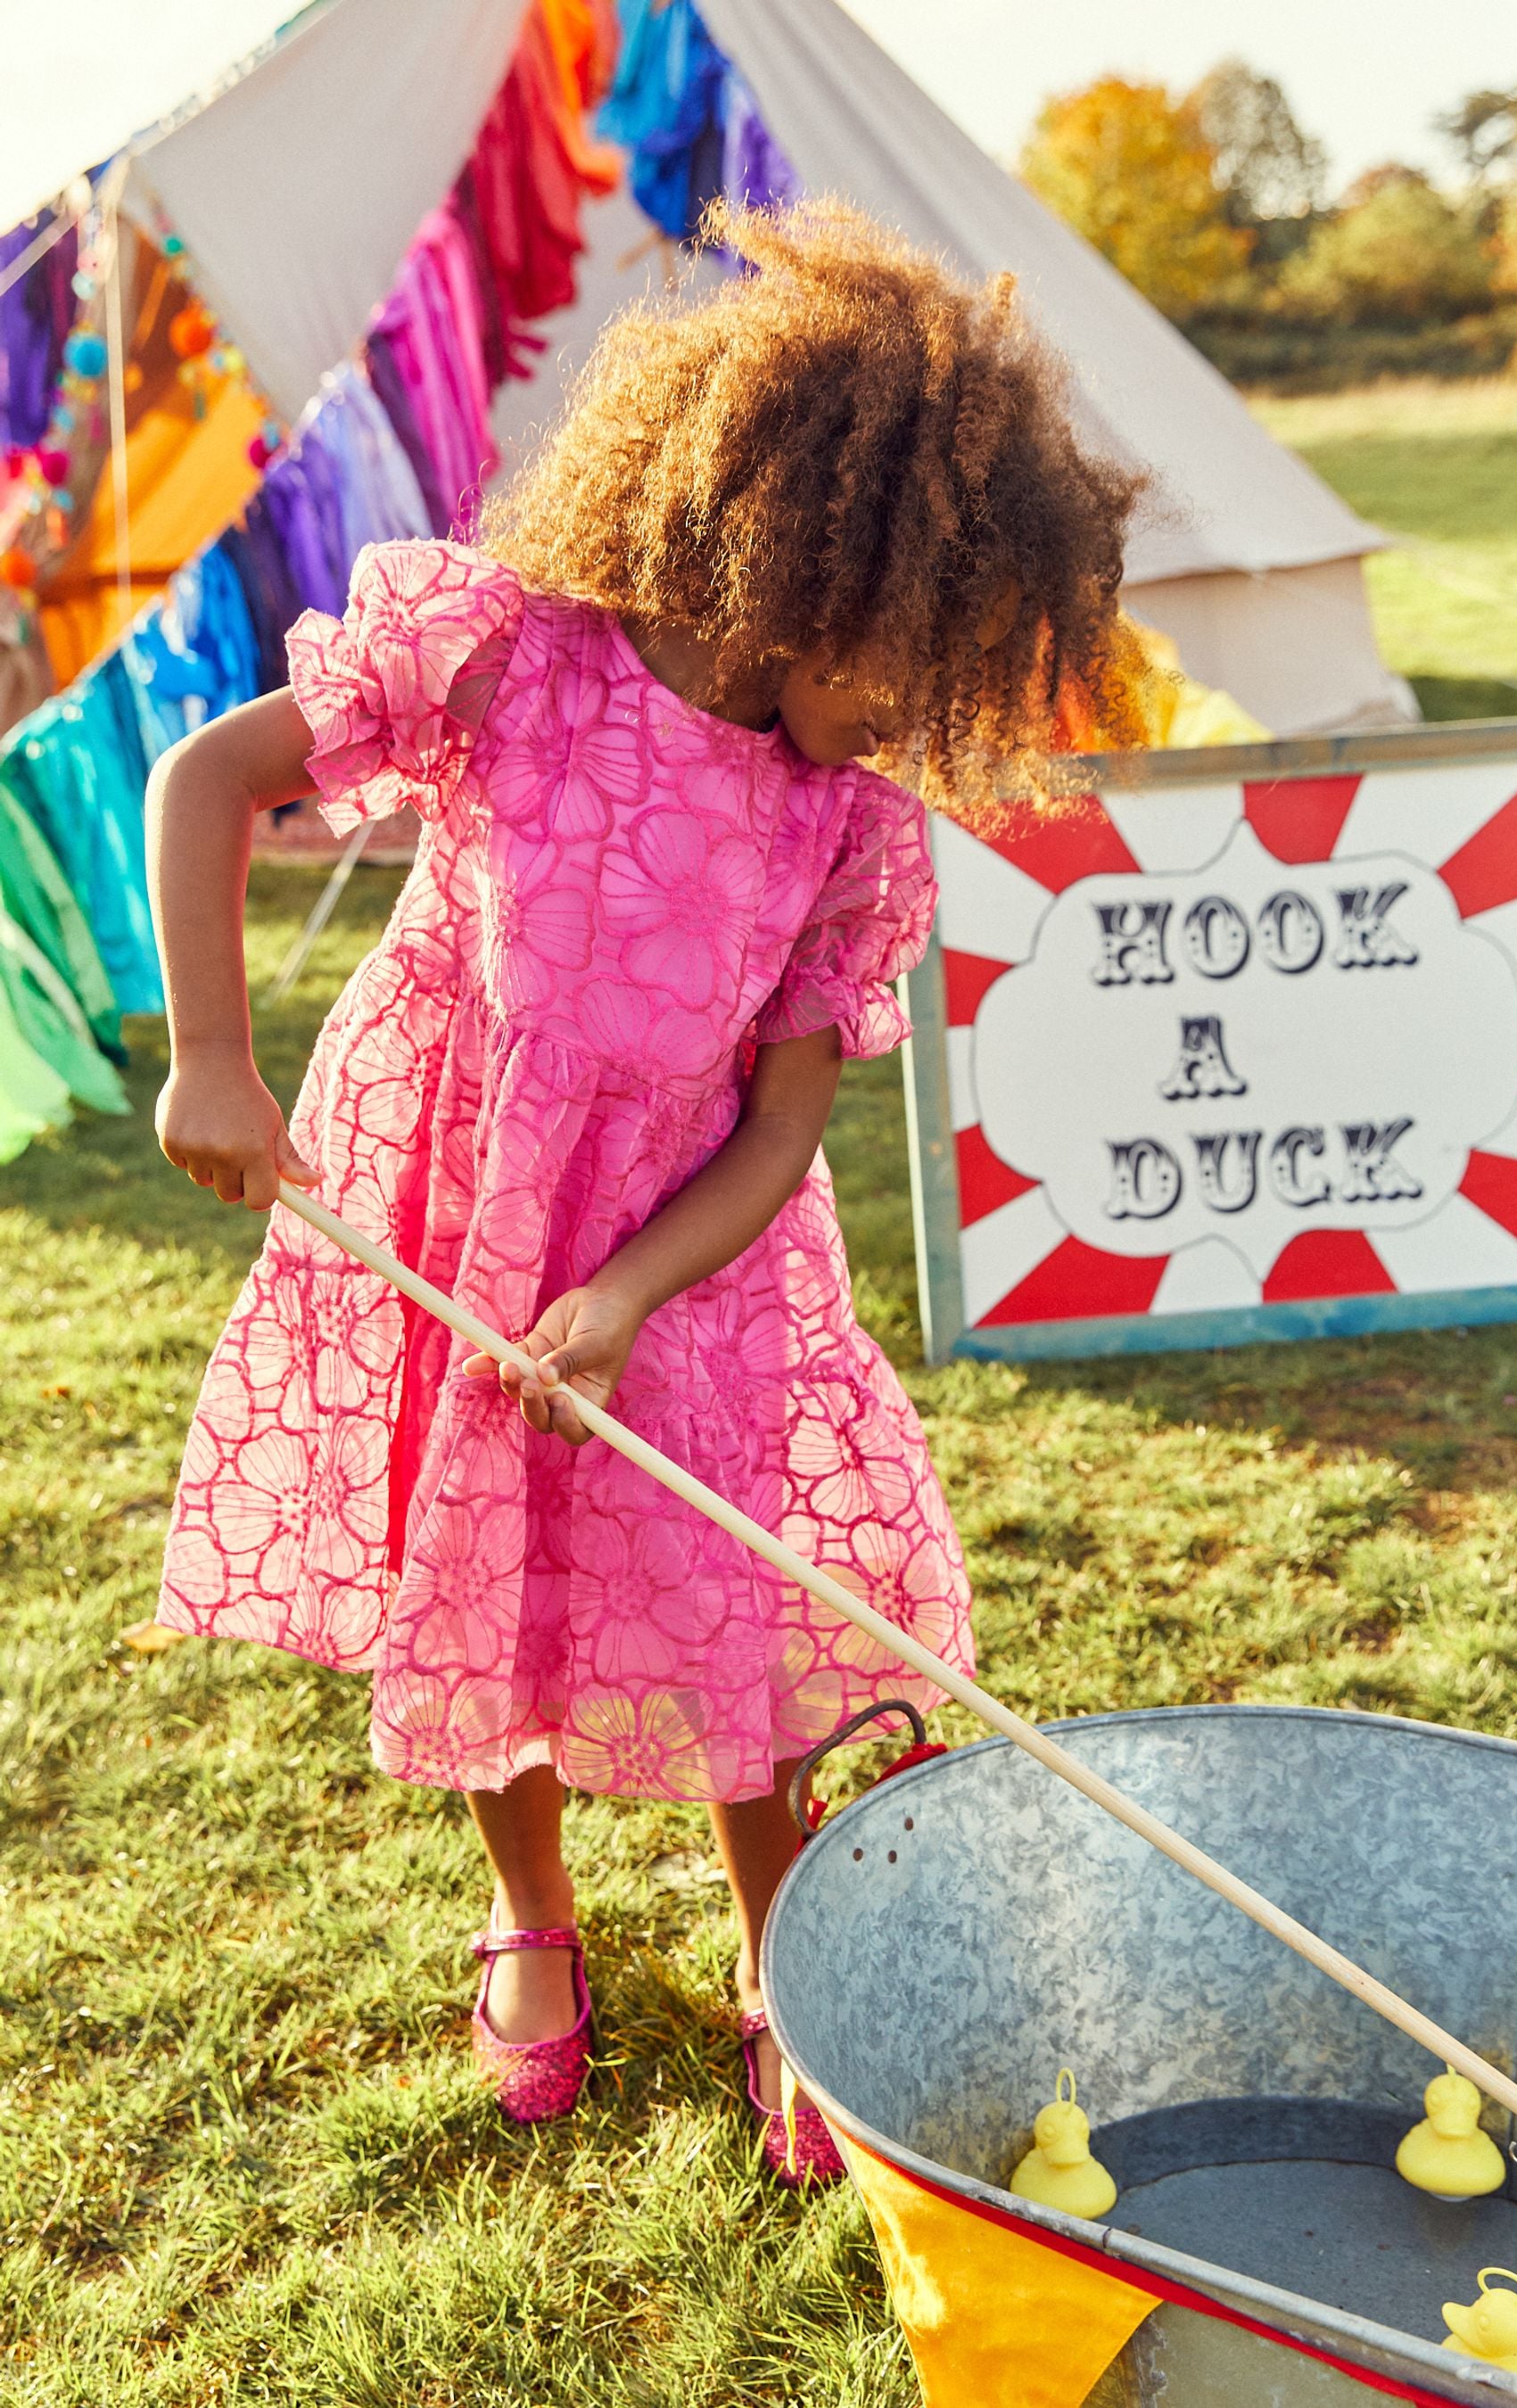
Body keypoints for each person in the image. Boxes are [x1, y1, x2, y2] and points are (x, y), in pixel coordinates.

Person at [146, 202, 1141, 2186]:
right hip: (456, 1189)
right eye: (911, 668)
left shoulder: (850, 821)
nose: (919, 725)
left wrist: (632, 1289)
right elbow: (205, 783)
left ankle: (790, 1965)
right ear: (810, 565)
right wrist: (211, 1056)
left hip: (692, 1249)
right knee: (491, 1574)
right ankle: (531, 1915)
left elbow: (780, 1134)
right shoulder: (509, 651)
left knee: (734, 1604)